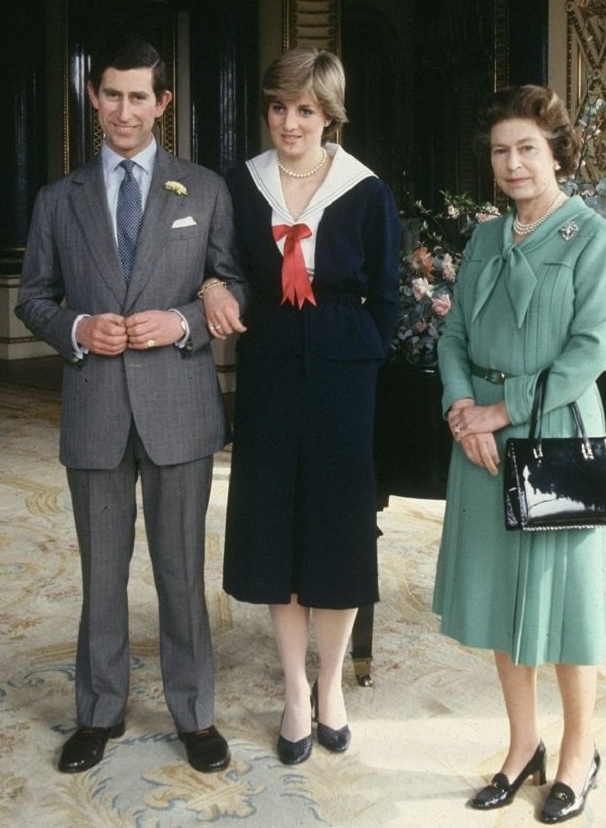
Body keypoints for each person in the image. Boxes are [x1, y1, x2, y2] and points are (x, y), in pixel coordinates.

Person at [15, 36, 245, 776]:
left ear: (162, 104)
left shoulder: (204, 190)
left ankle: (194, 714)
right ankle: (99, 712)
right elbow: (32, 298)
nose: (123, 110)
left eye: (138, 96)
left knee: (181, 571)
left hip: (178, 407)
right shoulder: (59, 199)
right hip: (95, 412)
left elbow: (232, 285)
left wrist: (181, 321)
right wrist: (78, 328)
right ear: (93, 98)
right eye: (110, 94)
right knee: (101, 574)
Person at [433, 85, 606, 824]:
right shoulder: (483, 238)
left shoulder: (593, 238)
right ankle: (523, 748)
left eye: (527, 150)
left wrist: (501, 410)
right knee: (498, 598)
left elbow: (586, 354)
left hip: (558, 438)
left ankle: (580, 752)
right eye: (500, 151)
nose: (512, 164)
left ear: (556, 155)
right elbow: (453, 337)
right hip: (479, 442)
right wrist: (463, 412)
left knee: (568, 607)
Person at [209, 47, 400, 765]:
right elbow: (221, 268)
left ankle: (330, 686)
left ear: (330, 116)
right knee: (275, 523)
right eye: (280, 107)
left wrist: (359, 349)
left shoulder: (364, 191)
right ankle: (293, 689)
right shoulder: (243, 184)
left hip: (344, 370)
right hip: (269, 366)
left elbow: (387, 292)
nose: (290, 123)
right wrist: (210, 291)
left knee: (338, 525)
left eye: (306, 111)